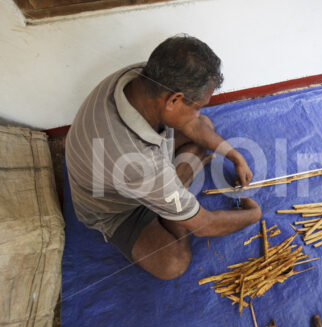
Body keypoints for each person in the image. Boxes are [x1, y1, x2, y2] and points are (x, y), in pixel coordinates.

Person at [65, 34, 262, 280]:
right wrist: (253, 216)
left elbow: (194, 126)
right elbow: (205, 225)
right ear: (174, 100)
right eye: (196, 105)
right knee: (173, 264)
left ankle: (172, 195)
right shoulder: (138, 162)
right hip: (115, 207)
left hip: (126, 167)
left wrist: (235, 156)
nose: (198, 112)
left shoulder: (140, 77)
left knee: (203, 127)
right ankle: (174, 195)